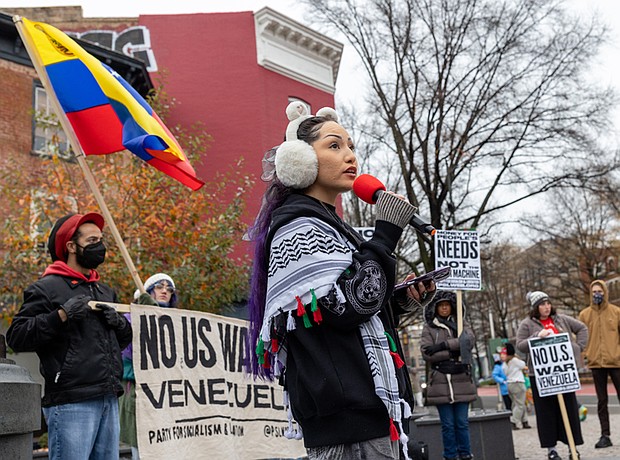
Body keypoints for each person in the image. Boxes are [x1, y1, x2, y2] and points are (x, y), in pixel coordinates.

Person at [247, 101, 436, 460]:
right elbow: (343, 307)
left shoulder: (331, 225)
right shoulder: (299, 227)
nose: (350, 155)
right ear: (298, 161)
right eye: (334, 145)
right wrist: (383, 238)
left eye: (351, 146)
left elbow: (346, 306)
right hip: (347, 418)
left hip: (369, 410)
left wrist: (401, 299)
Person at [6, 213, 131, 460]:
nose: (100, 246)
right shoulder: (46, 288)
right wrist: (61, 315)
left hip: (108, 397)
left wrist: (120, 326)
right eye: (92, 239)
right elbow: (17, 336)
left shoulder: (105, 291)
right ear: (72, 246)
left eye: (101, 239)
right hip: (71, 402)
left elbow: (122, 343)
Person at [516, 291, 588, 460]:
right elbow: (520, 345)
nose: (546, 307)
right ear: (535, 307)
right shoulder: (527, 324)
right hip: (541, 376)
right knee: (546, 413)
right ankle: (551, 450)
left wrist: (578, 347)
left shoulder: (561, 319)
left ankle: (573, 447)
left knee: (570, 410)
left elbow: (582, 328)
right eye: (542, 304)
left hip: (564, 373)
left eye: (548, 303)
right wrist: (536, 336)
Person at [120, 273, 178, 460]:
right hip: (139, 392)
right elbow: (130, 350)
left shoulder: (179, 321)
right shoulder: (130, 318)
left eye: (169, 289)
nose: (164, 291)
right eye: (160, 287)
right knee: (143, 448)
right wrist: (147, 312)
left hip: (168, 394)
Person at [420, 290, 476, 460]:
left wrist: (442, 345)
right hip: (440, 381)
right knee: (448, 425)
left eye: (447, 305)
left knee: (462, 423)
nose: (444, 308)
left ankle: (466, 454)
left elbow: (468, 341)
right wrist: (454, 351)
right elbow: (427, 353)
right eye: (441, 305)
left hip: (461, 379)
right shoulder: (429, 328)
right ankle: (450, 456)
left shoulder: (461, 324)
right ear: (435, 308)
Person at [578, 279, 620, 449]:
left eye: (600, 291)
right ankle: (605, 435)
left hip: (616, 361)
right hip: (596, 363)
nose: (597, 294)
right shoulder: (584, 315)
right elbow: (580, 338)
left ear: (605, 292)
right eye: (594, 291)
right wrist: (585, 354)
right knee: (601, 401)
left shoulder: (616, 312)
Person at [502, 343, 530, 430]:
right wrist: (517, 357)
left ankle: (524, 421)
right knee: (520, 405)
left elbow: (505, 373)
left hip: (510, 384)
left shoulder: (505, 363)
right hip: (518, 383)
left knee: (516, 403)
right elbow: (523, 364)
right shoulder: (515, 360)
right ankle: (514, 421)